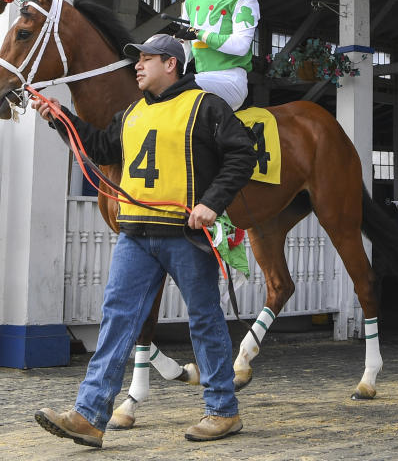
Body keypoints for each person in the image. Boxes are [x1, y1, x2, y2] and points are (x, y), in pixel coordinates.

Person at [31, 32, 257, 447]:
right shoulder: (131, 112)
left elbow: (243, 154)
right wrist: (58, 117)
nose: (136, 65)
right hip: (135, 236)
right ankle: (89, 416)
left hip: (186, 235)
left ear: (171, 64)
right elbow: (100, 147)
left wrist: (211, 202)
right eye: (136, 59)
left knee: (204, 320)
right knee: (117, 321)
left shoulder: (207, 107)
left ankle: (224, 412)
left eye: (146, 59)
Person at [179, 0, 260, 111]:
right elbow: (185, 54)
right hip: (202, 77)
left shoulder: (245, 0)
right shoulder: (190, 3)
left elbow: (240, 46)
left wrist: (199, 33)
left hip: (231, 81)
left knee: (178, 88)